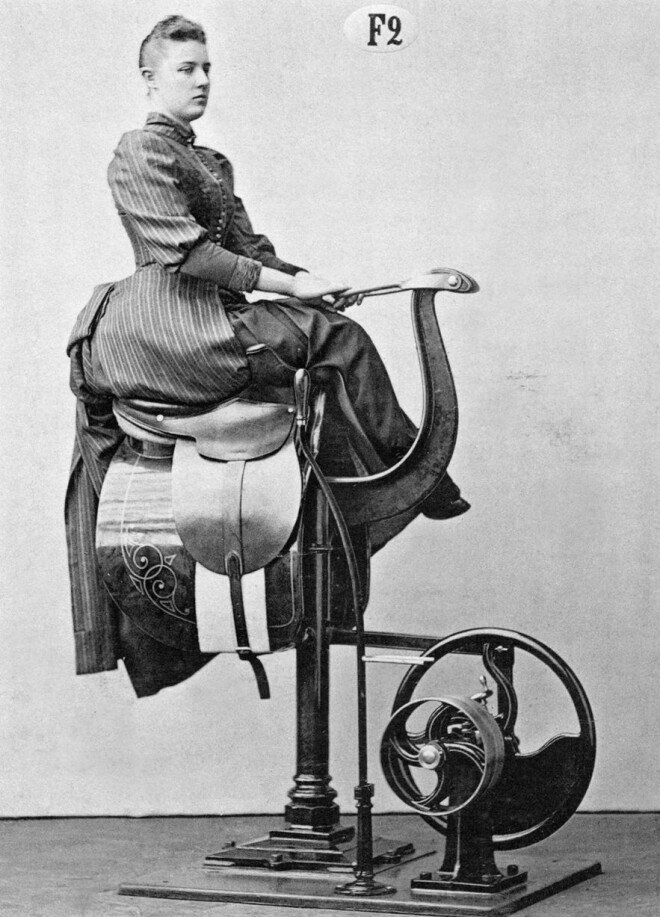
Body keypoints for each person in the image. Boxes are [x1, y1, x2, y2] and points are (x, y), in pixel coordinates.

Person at [65, 16, 468, 690]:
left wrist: (312, 282)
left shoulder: (211, 162)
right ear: (149, 80)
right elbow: (189, 254)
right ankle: (416, 471)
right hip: (167, 329)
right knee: (340, 341)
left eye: (207, 67)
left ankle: (346, 514)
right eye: (186, 69)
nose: (202, 79)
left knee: (324, 329)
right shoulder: (139, 152)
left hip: (211, 314)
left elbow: (250, 251)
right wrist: (292, 291)